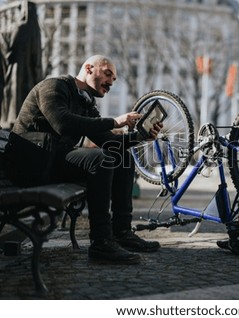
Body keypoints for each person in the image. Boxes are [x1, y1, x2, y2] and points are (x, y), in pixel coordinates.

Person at [8, 55, 162, 264]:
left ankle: (122, 233)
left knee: (121, 157)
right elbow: (62, 122)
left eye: (114, 79)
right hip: (32, 163)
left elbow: (109, 142)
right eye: (108, 74)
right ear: (89, 69)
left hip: (53, 161)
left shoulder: (85, 103)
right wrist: (114, 122)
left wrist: (140, 136)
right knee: (100, 159)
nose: (111, 81)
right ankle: (101, 242)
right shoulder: (54, 86)